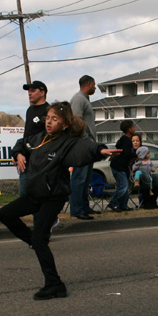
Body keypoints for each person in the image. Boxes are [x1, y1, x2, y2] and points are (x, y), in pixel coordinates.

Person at [0, 101, 120, 300]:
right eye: (48, 118)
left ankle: (55, 285)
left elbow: (85, 148)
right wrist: (18, 153)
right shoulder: (39, 138)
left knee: (40, 238)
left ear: (64, 124)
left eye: (54, 119)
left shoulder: (67, 142)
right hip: (36, 194)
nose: (49, 122)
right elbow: (23, 143)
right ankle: (35, 242)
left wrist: (101, 150)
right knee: (4, 214)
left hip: (54, 196)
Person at [69, 75, 100, 220]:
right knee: (79, 178)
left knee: (86, 179)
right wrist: (85, 139)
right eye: (94, 85)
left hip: (88, 145)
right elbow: (75, 120)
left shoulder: (85, 99)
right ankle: (76, 209)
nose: (95, 87)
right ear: (88, 84)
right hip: (81, 145)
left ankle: (84, 206)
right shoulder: (79, 98)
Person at [12, 81, 50, 198]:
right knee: (24, 195)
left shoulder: (48, 110)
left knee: (39, 195)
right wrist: (18, 154)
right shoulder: (30, 110)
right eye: (28, 91)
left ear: (42, 92)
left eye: (33, 91)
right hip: (26, 160)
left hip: (41, 162)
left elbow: (49, 137)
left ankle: (48, 216)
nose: (29, 93)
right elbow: (27, 137)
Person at [108, 120, 136, 212]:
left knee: (125, 188)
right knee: (123, 187)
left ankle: (123, 205)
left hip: (122, 167)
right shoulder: (126, 141)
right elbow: (126, 153)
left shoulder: (123, 139)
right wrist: (135, 156)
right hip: (119, 166)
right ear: (129, 129)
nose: (134, 129)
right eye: (133, 127)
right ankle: (114, 203)